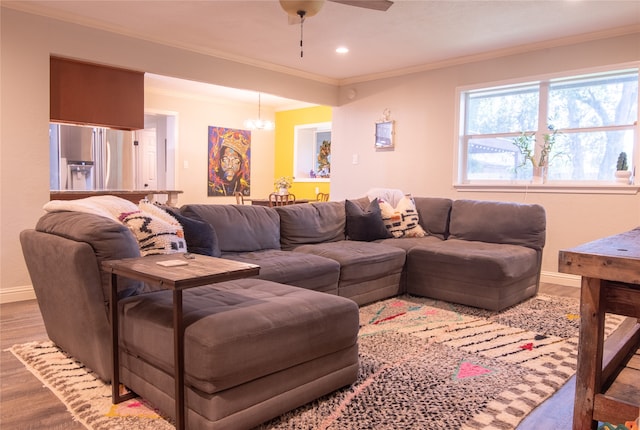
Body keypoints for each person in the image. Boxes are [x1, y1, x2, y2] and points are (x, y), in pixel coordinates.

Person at [208, 128, 250, 196]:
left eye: (235, 160)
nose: (230, 165)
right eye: (226, 159)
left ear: (241, 164)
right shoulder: (212, 186)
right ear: (220, 161)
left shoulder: (245, 187)